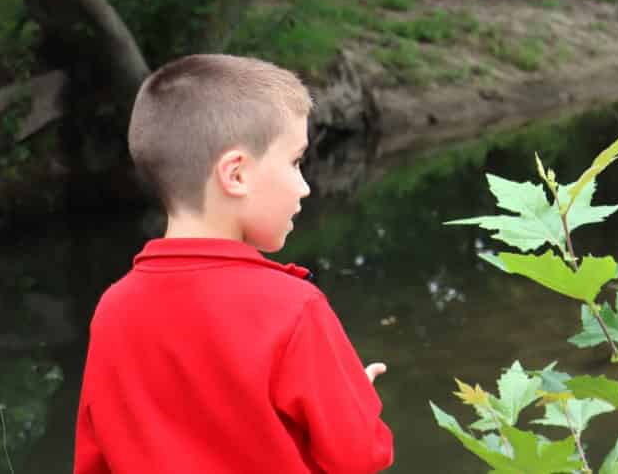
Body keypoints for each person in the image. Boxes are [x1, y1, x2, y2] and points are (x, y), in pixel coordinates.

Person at [74, 54, 394, 474]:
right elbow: (358, 456)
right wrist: (354, 402)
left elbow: (95, 462)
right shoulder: (293, 308)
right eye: (297, 162)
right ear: (236, 174)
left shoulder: (113, 309)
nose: (304, 187)